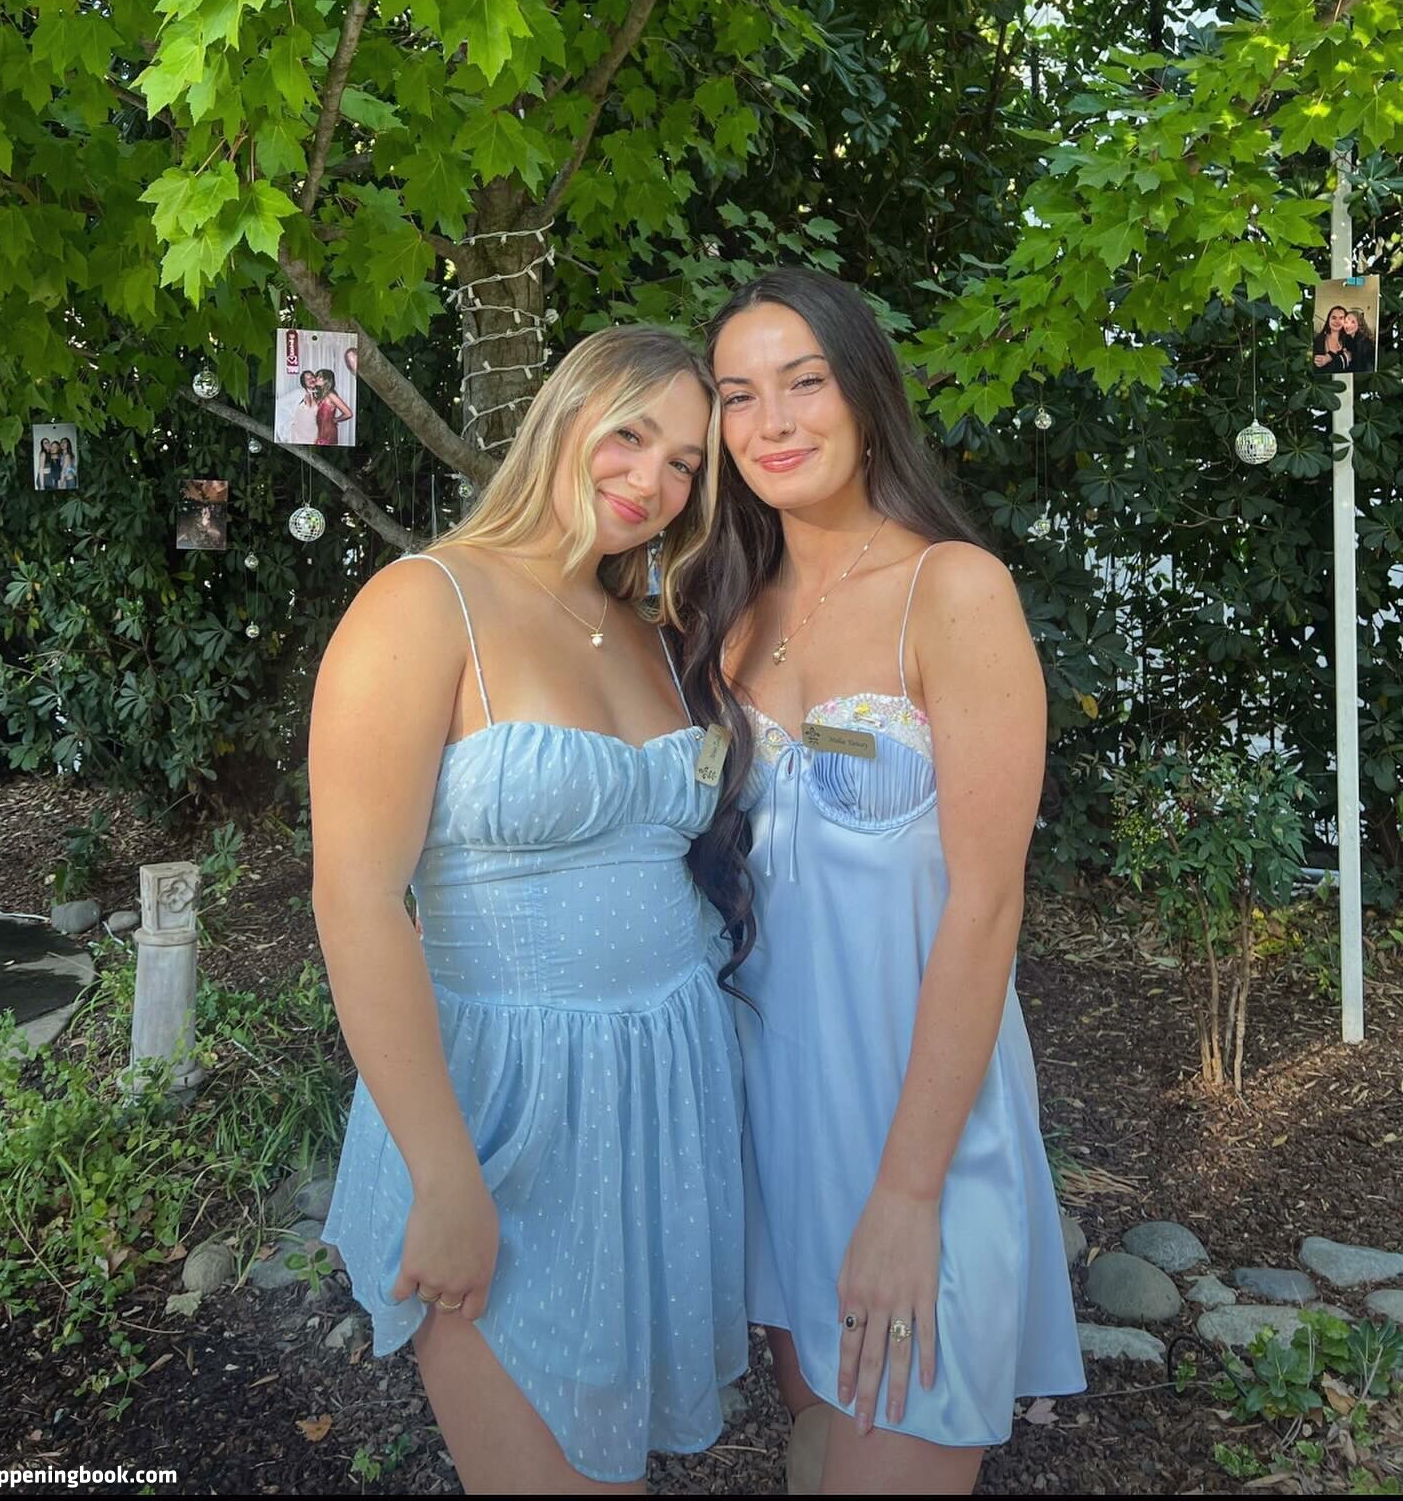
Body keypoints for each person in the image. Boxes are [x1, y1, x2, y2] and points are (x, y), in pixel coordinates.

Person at [312, 326, 752, 1494]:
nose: (652, 481)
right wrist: (442, 1173)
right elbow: (357, 901)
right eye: (631, 435)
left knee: (617, 1465)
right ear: (565, 417)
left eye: (686, 464)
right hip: (503, 1110)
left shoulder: (653, 633)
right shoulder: (425, 604)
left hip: (660, 1095)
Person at [684, 268, 1085, 1496]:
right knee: (819, 1443)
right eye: (739, 394)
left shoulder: (951, 589)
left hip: (917, 1127)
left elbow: (987, 905)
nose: (773, 422)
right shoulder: (723, 606)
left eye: (804, 382)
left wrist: (909, 1195)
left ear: (863, 395)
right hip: (774, 1114)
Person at [311, 368, 354, 446]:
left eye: (320, 377)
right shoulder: (320, 395)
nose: (316, 378)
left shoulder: (330, 395)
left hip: (328, 435)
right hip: (320, 433)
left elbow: (348, 413)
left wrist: (335, 420)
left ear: (327, 380)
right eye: (317, 376)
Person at [1313, 305, 1349, 371]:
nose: (1337, 321)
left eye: (1341, 318)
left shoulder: (1349, 340)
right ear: (1328, 320)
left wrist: (1329, 357)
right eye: (1334, 318)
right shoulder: (1318, 340)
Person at [1342, 308, 1376, 375]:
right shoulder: (1347, 338)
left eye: (1353, 322)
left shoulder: (1364, 343)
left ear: (1359, 323)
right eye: (1346, 322)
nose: (1348, 325)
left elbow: (1366, 368)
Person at [291, 370, 320, 443]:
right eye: (307, 379)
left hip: (314, 434)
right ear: (303, 382)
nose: (310, 379)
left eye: (311, 377)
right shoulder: (298, 393)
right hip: (298, 436)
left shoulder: (319, 395)